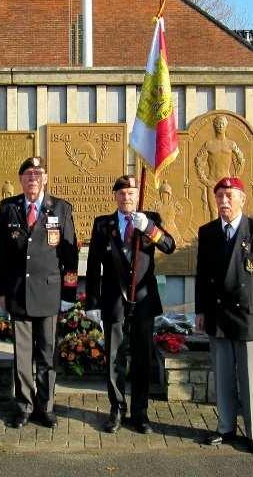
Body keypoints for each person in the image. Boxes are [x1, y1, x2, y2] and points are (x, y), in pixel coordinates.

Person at [194, 176, 253, 454]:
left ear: (242, 199)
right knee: (222, 375)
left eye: (229, 196)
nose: (224, 201)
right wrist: (200, 310)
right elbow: (202, 276)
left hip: (249, 315)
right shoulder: (207, 232)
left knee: (249, 377)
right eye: (219, 196)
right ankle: (225, 427)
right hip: (218, 315)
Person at [85, 175, 175, 434]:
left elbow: (170, 246)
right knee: (114, 357)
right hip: (114, 300)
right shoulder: (104, 224)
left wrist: (148, 228)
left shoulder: (151, 219)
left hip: (144, 300)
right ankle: (117, 409)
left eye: (132, 193)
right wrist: (93, 301)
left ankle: (140, 412)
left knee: (143, 358)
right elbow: (93, 266)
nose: (127, 198)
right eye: (122, 193)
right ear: (115, 196)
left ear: (138, 196)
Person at [0, 156, 78, 429]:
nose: (33, 178)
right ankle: (24, 406)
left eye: (38, 173)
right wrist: (0, 289)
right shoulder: (9, 208)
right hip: (18, 293)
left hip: (49, 292)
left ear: (45, 178)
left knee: (47, 353)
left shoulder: (60, 209)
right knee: (22, 355)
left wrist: (69, 293)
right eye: (28, 174)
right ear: (21, 179)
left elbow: (70, 254)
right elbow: (0, 253)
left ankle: (46, 406)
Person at [194, 115, 246, 221]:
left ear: (226, 126)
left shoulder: (231, 144)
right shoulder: (208, 145)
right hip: (212, 183)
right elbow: (198, 161)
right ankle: (213, 237)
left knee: (227, 213)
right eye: (218, 123)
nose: (220, 126)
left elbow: (241, 159)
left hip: (227, 184)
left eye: (222, 123)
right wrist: (204, 180)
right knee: (214, 213)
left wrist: (235, 177)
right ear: (214, 126)